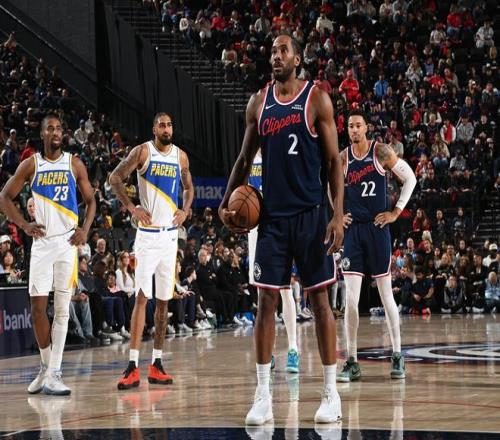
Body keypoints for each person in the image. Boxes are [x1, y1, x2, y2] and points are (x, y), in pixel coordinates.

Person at [218, 34, 344, 425]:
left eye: (283, 51)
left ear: (297, 59)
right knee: (266, 303)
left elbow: (334, 163)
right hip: (271, 218)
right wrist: (225, 202)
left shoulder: (317, 99)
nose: (276, 56)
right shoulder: (259, 103)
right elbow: (244, 158)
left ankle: (331, 393)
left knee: (320, 302)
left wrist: (337, 214)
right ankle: (262, 396)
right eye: (273, 51)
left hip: (310, 215)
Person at [0, 114, 96, 395]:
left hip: (67, 243)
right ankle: (45, 367)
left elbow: (91, 201)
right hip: (41, 244)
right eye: (50, 128)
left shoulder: (74, 163)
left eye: (58, 128)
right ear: (42, 134)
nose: (55, 132)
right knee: (38, 309)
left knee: (63, 310)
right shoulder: (32, 164)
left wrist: (85, 230)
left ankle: (55, 372)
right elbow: (4, 196)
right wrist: (24, 224)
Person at [109, 113, 194, 390]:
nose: (166, 129)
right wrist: (132, 207)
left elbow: (189, 187)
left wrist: (185, 209)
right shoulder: (143, 151)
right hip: (147, 237)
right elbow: (114, 178)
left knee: (163, 302)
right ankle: (132, 365)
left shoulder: (181, 156)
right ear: (154, 129)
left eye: (170, 125)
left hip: (170, 238)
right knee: (141, 298)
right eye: (162, 125)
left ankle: (156, 363)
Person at [338, 109, 416, 382]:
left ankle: (397, 354)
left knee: (386, 295)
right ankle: (351, 360)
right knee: (350, 299)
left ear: (366, 128)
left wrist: (396, 212)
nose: (354, 130)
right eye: (350, 126)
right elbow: (331, 187)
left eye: (358, 125)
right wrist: (337, 214)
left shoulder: (380, 151)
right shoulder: (343, 158)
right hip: (353, 231)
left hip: (377, 228)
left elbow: (410, 179)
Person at [247, 148, 300, 373]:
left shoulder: (279, 152)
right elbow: (241, 193)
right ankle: (268, 352)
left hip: (279, 225)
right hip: (255, 230)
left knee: (286, 289)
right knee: (263, 293)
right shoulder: (248, 158)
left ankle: (293, 349)